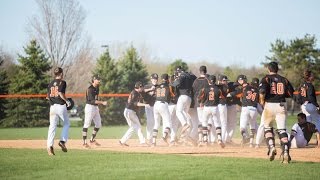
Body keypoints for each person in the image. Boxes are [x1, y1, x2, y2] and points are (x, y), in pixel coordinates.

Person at [259, 61, 294, 163]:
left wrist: (262, 102)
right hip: (281, 105)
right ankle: (286, 152)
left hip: (269, 105)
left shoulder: (266, 78)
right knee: (282, 130)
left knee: (268, 129)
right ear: (277, 69)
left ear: (268, 69)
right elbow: (291, 93)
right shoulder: (284, 80)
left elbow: (262, 91)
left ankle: (272, 147)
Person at [228, 75, 259, 147]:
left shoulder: (245, 88)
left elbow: (237, 93)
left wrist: (230, 94)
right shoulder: (257, 89)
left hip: (246, 108)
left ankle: (245, 136)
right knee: (253, 125)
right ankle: (252, 142)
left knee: (242, 127)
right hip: (254, 108)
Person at [46, 67, 71, 156]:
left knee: (52, 126)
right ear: (60, 74)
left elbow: (47, 97)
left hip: (52, 107)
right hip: (60, 106)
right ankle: (62, 141)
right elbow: (60, 93)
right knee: (67, 123)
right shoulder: (62, 82)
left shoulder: (50, 84)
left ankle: (49, 146)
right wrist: (67, 101)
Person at [198, 75, 225, 148]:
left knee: (204, 123)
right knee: (217, 123)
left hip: (206, 108)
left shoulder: (204, 89)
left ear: (208, 81)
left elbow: (199, 98)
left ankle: (205, 140)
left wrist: (201, 102)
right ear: (215, 81)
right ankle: (219, 139)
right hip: (215, 108)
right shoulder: (218, 89)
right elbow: (222, 98)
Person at [119, 81, 149, 146]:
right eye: (142, 87)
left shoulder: (135, 92)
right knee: (138, 126)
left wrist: (151, 89)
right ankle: (142, 142)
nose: (143, 88)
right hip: (130, 112)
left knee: (133, 127)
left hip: (128, 111)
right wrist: (145, 105)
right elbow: (135, 103)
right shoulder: (135, 93)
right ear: (139, 87)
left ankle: (122, 141)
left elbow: (144, 91)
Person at [82, 75, 108, 148]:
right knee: (86, 124)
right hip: (90, 107)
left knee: (98, 124)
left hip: (95, 108)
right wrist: (102, 102)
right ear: (94, 80)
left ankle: (92, 140)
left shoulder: (97, 87)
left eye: (99, 79)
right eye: (98, 79)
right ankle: (84, 143)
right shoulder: (90, 89)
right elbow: (92, 101)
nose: (99, 80)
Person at [172, 67, 194, 139]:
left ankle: (185, 125)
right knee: (184, 113)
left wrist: (173, 82)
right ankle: (185, 135)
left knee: (178, 112)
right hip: (189, 98)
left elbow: (175, 84)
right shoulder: (189, 76)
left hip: (183, 96)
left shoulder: (182, 75)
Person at [152, 74, 172, 146]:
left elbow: (154, 94)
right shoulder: (169, 86)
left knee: (156, 124)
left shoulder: (157, 86)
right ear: (167, 79)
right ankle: (164, 136)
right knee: (169, 123)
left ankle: (153, 142)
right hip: (163, 104)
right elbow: (171, 96)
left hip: (156, 104)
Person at [192, 66, 210, 144]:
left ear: (200, 71)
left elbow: (193, 91)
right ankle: (205, 139)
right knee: (206, 121)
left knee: (200, 121)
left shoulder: (196, 80)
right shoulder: (207, 81)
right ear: (206, 71)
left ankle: (200, 139)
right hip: (206, 103)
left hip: (198, 103)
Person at [143, 73, 158, 144]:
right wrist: (150, 89)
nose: (155, 80)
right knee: (150, 121)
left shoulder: (158, 86)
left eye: (156, 79)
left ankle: (153, 138)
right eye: (154, 79)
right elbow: (142, 91)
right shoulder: (147, 86)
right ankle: (149, 137)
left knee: (155, 122)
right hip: (148, 105)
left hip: (155, 106)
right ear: (151, 79)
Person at [216, 75, 229, 143]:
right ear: (220, 80)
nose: (226, 82)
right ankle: (222, 140)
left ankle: (213, 139)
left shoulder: (214, 86)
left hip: (215, 107)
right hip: (222, 106)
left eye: (226, 80)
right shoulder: (225, 87)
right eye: (224, 80)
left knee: (216, 122)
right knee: (223, 123)